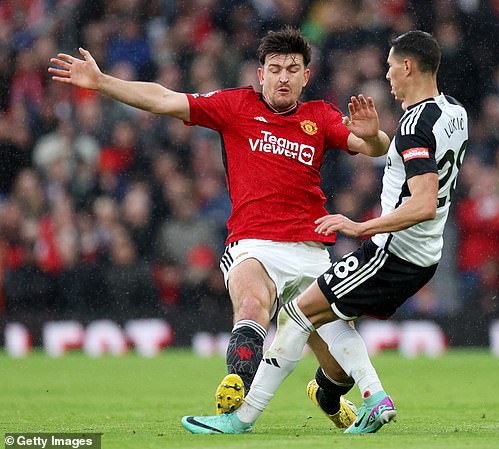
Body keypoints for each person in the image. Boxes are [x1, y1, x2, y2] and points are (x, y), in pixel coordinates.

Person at [49, 27, 390, 428]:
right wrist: (103, 82)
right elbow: (163, 100)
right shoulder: (235, 106)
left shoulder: (320, 116)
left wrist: (376, 137)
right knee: (251, 305)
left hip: (311, 249)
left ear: (306, 77)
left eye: (292, 69)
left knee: (340, 367)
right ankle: (237, 383)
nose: (283, 77)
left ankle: (327, 394)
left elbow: (372, 146)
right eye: (275, 68)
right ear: (260, 75)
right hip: (254, 244)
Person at [181, 29, 469, 435]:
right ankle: (347, 396)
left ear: (407, 67)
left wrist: (361, 226)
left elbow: (421, 200)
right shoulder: (454, 111)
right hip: (423, 254)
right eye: (275, 69)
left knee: (297, 313)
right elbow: (387, 151)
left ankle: (243, 418)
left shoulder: (409, 126)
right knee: (330, 326)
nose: (386, 76)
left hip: (391, 252)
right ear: (261, 74)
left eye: (390, 67)